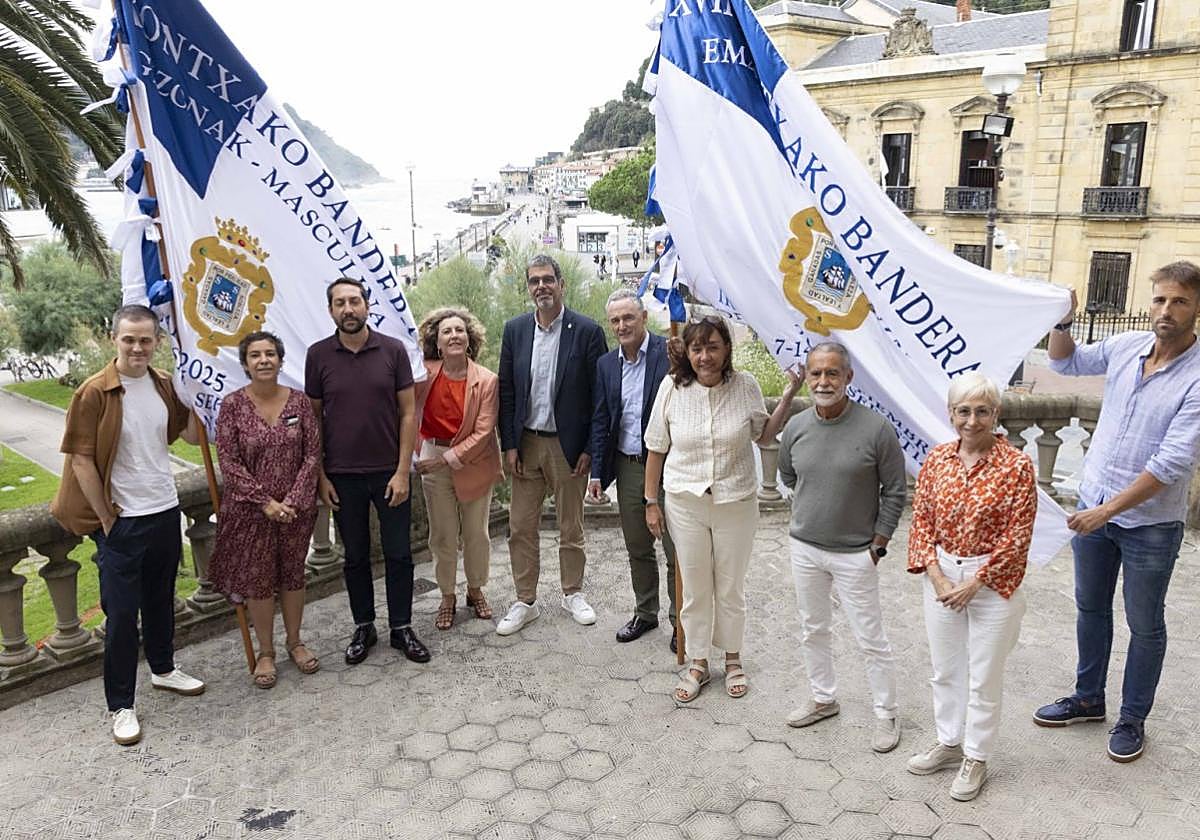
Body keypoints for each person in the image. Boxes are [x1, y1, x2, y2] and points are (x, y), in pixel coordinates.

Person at [1033, 261, 1200, 763]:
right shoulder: (1127, 346)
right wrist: (1063, 322)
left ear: (1197, 308)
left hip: (1149, 525)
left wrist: (1104, 512)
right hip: (1096, 509)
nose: (1165, 310)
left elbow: (1170, 463)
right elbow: (1065, 363)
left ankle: (1132, 718)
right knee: (1090, 608)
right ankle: (1088, 699)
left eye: (1179, 301)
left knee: (1145, 623)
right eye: (1159, 299)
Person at [51, 304, 205, 746]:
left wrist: (193, 397)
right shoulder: (95, 392)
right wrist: (105, 518)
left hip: (163, 510)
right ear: (113, 339)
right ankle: (121, 705)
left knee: (160, 599)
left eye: (145, 339)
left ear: (156, 341)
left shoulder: (162, 385)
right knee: (120, 615)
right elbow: (80, 458)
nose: (138, 347)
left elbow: (192, 437)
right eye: (129, 339)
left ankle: (163, 669)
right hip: (121, 521)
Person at [643, 314, 799, 702]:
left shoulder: (745, 385)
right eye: (697, 348)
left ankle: (732, 659)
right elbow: (656, 446)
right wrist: (650, 502)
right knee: (695, 587)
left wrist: (792, 392)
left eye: (713, 346)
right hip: (684, 501)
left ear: (727, 348)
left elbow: (764, 434)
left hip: (736, 501)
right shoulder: (671, 388)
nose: (705, 356)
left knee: (730, 586)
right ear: (688, 352)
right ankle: (698, 662)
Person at [905, 372, 1036, 801]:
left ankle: (976, 757)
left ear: (996, 414)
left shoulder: (1016, 465)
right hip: (941, 575)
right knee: (945, 669)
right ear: (951, 414)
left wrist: (975, 583)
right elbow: (921, 520)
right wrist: (939, 577)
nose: (973, 420)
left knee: (983, 676)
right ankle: (948, 741)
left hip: (992, 583)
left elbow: (1018, 535)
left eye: (982, 411)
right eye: (964, 410)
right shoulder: (937, 460)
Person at [779, 342, 907, 753]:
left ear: (848, 378)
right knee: (812, 628)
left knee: (870, 637)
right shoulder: (797, 426)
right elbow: (788, 475)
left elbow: (896, 491)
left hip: (856, 553)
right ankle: (823, 698)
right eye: (816, 373)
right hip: (805, 549)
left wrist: (879, 543)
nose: (822, 381)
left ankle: (887, 713)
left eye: (832, 373)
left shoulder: (875, 429)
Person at [305, 278, 430, 665]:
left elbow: (408, 413)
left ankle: (401, 627)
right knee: (355, 556)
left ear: (367, 305)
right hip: (342, 476)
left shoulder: (392, 351)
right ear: (330, 311)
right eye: (340, 303)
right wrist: (322, 477)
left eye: (354, 301)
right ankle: (364, 626)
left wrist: (402, 471)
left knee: (399, 554)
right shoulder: (318, 355)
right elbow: (314, 421)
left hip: (388, 472)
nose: (348, 309)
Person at [497, 254, 608, 635]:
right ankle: (525, 600)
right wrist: (508, 444)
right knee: (520, 525)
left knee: (570, 525)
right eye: (534, 281)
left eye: (547, 279)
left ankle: (572, 592)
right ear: (528, 288)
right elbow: (507, 391)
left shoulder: (587, 332)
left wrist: (591, 450)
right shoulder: (514, 331)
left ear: (562, 284)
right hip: (527, 443)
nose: (541, 286)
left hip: (567, 446)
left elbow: (599, 397)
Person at [208, 332, 321, 689]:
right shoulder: (232, 406)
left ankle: (295, 642)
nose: (263, 360)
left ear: (281, 360)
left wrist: (292, 499)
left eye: (270, 353)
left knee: (292, 575)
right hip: (250, 513)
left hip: (295, 509)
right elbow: (229, 461)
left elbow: (312, 454)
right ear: (245, 364)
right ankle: (267, 651)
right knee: (259, 582)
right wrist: (266, 503)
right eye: (255, 355)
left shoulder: (300, 403)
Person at [588, 289, 678, 648]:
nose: (622, 325)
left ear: (643, 318)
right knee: (637, 546)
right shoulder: (606, 364)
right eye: (615, 320)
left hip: (670, 466)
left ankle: (681, 621)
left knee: (676, 549)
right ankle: (646, 613)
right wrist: (597, 471)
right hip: (627, 466)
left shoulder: (668, 354)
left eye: (628, 317)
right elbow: (600, 418)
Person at [413, 307, 503, 631]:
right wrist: (416, 453)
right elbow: (406, 411)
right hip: (432, 454)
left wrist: (443, 460)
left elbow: (482, 433)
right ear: (437, 343)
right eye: (447, 331)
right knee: (442, 535)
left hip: (474, 460)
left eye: (459, 331)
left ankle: (475, 590)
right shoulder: (422, 374)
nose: (454, 335)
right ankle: (447, 595)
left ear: (469, 339)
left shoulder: (487, 380)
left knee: (477, 534)